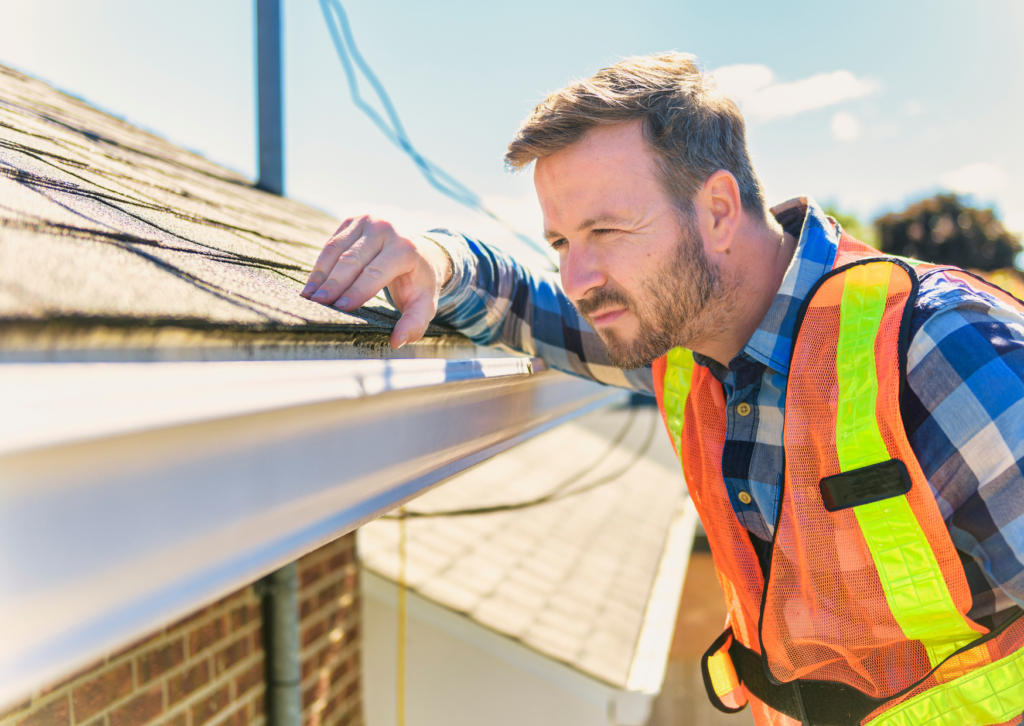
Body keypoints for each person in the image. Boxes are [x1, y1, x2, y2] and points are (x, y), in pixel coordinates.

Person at [301, 53, 1024, 725]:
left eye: (606, 230)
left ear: (715, 210)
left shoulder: (934, 348)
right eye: (560, 243)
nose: (578, 279)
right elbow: (527, 305)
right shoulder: (679, 342)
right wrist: (433, 258)